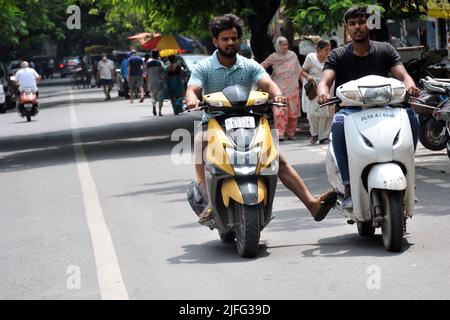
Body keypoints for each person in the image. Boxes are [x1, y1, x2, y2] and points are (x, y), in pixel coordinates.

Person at [185, 13, 337, 223]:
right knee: (200, 141)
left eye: (234, 38)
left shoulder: (249, 65)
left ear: (239, 39)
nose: (230, 42)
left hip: (250, 121)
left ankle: (312, 204)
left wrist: (278, 94)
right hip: (215, 122)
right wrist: (192, 98)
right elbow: (193, 88)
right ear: (215, 41)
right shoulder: (204, 68)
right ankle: (208, 200)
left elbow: (267, 83)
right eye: (225, 39)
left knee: (276, 160)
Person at [317, 6, 421, 210]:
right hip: (351, 111)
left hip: (386, 108)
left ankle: (407, 171)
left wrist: (410, 84)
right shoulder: (338, 55)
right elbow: (325, 80)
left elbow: (403, 74)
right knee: (338, 123)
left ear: (369, 24)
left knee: (411, 117)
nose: (357, 27)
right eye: (353, 24)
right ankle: (348, 186)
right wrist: (323, 91)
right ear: (347, 28)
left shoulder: (385, 49)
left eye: (361, 22)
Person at [261, 37, 302, 141]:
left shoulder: (292, 55)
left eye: (286, 44)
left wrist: (304, 83)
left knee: (293, 111)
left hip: (293, 87)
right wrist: (267, 77)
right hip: (279, 88)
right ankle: (280, 133)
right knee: (280, 111)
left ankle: (291, 133)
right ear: (277, 46)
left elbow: (299, 70)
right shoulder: (274, 57)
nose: (284, 47)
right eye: (282, 45)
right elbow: (262, 66)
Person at [301, 40, 334, 145]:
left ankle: (324, 136)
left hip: (327, 88)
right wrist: (307, 76)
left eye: (329, 49)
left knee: (327, 114)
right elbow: (302, 70)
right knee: (312, 114)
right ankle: (314, 134)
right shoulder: (311, 58)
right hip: (313, 90)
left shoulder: (331, 58)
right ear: (318, 50)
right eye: (326, 50)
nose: (328, 52)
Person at [146, 50, 165, 116]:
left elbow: (146, 74)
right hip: (159, 81)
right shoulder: (160, 62)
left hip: (151, 82)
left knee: (153, 96)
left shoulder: (148, 63)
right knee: (160, 97)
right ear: (158, 55)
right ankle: (159, 111)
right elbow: (162, 72)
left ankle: (154, 106)